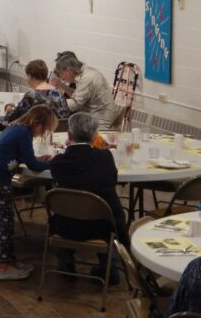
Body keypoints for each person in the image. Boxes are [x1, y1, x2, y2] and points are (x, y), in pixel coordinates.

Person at [0, 105, 57, 280]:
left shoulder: (16, 127)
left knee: (6, 220)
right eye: (44, 129)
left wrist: (38, 159)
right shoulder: (24, 133)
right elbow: (33, 166)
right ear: (36, 123)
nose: (43, 133)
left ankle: (10, 261)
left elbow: (24, 157)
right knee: (6, 223)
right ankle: (3, 267)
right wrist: (54, 162)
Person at [49, 112, 128, 284]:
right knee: (108, 212)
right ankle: (109, 269)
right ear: (94, 136)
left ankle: (65, 264)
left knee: (61, 212)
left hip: (67, 226)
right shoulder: (105, 157)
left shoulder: (57, 163)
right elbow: (111, 182)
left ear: (69, 135)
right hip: (101, 226)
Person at [50, 54, 120, 128]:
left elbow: (75, 103)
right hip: (96, 115)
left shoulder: (87, 78)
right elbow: (78, 95)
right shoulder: (86, 72)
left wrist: (53, 103)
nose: (61, 77)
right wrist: (62, 86)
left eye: (61, 73)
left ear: (68, 70)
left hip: (101, 120)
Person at [5, 59, 71, 122]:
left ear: (30, 77)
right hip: (59, 129)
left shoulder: (31, 96)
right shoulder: (59, 94)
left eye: (26, 76)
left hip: (38, 130)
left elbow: (11, 118)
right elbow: (65, 117)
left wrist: (8, 109)